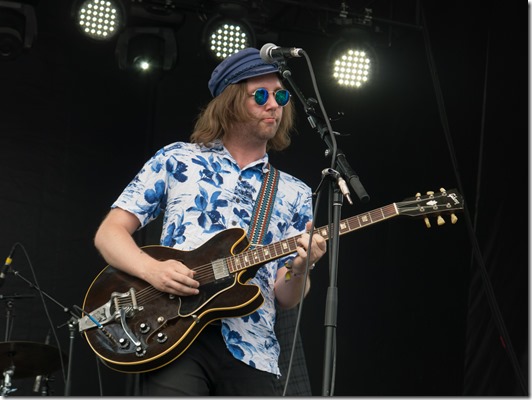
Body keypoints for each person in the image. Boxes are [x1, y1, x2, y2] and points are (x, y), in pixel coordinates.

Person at [93, 47, 327, 396]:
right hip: (174, 332)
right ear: (230, 102)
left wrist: (301, 268)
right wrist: (152, 270)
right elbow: (109, 233)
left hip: (253, 350)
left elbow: (286, 295)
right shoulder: (178, 159)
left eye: (280, 96)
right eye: (260, 95)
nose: (273, 105)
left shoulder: (295, 192)